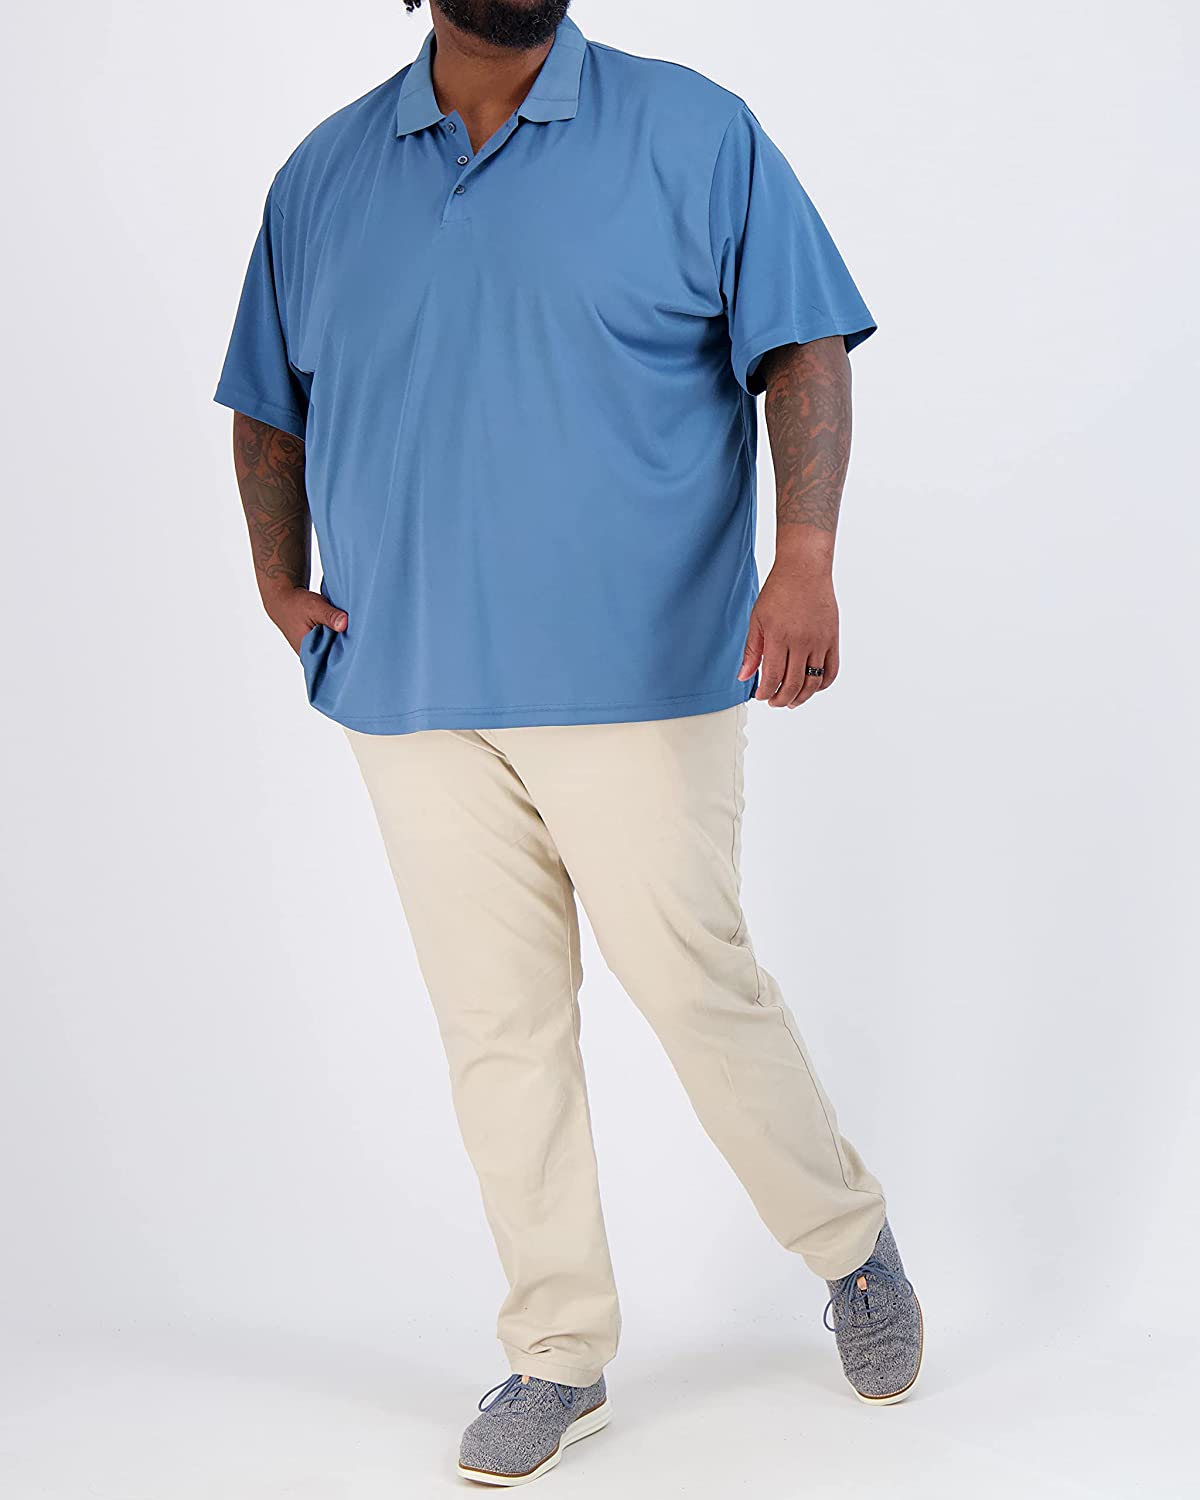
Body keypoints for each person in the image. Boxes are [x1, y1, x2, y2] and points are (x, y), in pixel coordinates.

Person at [215, 0, 923, 1485]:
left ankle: (849, 1244)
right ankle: (557, 1349)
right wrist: (280, 583)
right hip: (409, 683)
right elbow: (269, 403)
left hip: (643, 673)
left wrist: (805, 558)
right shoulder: (323, 176)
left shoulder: (694, 132)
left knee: (696, 986)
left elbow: (804, 346)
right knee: (497, 1029)